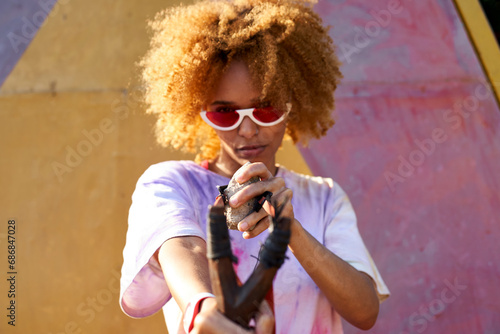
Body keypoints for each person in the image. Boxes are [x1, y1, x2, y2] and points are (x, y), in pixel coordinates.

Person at [120, 0, 390, 333]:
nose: (247, 130)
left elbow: (364, 312)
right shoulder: (170, 184)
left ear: (294, 104)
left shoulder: (324, 198)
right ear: (199, 109)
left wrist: (292, 231)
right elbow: (184, 244)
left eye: (264, 109)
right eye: (224, 112)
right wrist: (201, 308)